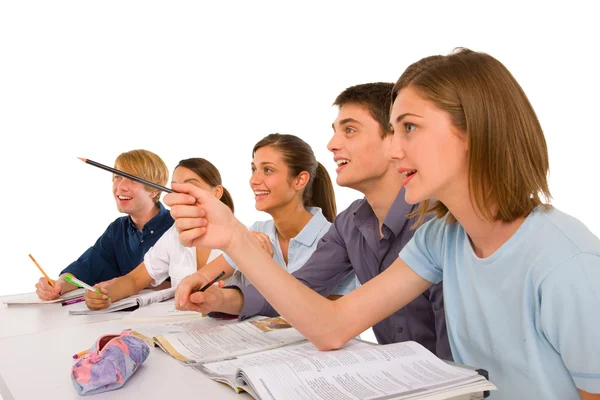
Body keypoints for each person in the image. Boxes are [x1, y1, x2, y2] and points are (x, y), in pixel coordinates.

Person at [165, 49, 600, 399]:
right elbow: (331, 326)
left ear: (478, 130)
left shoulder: (568, 262)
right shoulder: (439, 238)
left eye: (409, 128)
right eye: (393, 130)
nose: (395, 151)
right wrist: (236, 239)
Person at [175, 83, 450, 359]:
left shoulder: (440, 224)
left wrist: (235, 240)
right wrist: (220, 299)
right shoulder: (349, 224)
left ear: (394, 139)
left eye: (350, 130)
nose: (331, 145)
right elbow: (300, 291)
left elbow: (459, 363)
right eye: (335, 131)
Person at [176, 133, 357, 304]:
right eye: (254, 169)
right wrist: (195, 284)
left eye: (268, 170)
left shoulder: (335, 242)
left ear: (300, 180)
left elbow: (328, 318)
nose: (254, 180)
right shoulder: (257, 231)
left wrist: (262, 267)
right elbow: (205, 276)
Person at [84, 158, 234, 310]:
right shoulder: (174, 235)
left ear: (217, 192)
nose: (181, 195)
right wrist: (105, 293)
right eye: (176, 189)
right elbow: (135, 280)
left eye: (191, 186)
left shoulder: (244, 237)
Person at [35, 149, 174, 300]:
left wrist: (134, 282)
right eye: (117, 177)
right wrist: (58, 285)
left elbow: (187, 282)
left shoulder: (177, 227)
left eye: (132, 179)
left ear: (154, 190)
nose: (121, 187)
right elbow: (84, 269)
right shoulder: (117, 230)